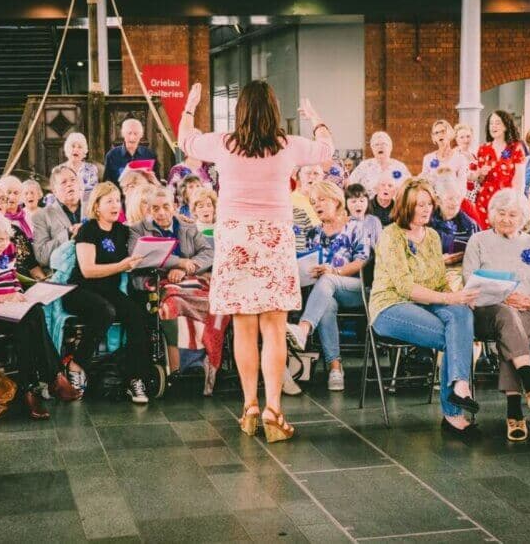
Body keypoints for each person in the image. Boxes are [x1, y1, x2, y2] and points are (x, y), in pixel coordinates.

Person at [178, 79, 333, 443]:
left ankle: (249, 406)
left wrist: (189, 106)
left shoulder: (224, 145)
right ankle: (273, 411)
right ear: (274, 111)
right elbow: (326, 151)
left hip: (234, 241)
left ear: (239, 112)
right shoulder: (287, 147)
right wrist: (316, 118)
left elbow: (185, 140)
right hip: (274, 240)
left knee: (244, 328)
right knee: (274, 329)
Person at [370, 179, 480, 434]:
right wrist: (449, 299)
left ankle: (460, 386)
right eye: (419, 204)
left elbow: (440, 282)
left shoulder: (431, 236)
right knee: (452, 337)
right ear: (405, 206)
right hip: (390, 306)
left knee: (462, 313)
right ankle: (453, 411)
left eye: (429, 203)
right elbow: (405, 288)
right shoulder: (391, 235)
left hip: (427, 303)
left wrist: (459, 298)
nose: (425, 209)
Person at [0, 212, 77, 419]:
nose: (4, 245)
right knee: (32, 318)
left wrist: (19, 294)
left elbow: (11, 279)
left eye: (6, 239)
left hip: (9, 310)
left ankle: (29, 390)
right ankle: (53, 377)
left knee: (30, 318)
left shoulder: (8, 248)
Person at [463, 189, 530, 442]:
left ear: (522, 217)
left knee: (512, 329)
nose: (506, 219)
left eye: (513, 214)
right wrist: (498, 295)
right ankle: (529, 380)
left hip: (525, 312)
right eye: (501, 213)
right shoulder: (478, 240)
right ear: (491, 215)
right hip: (486, 311)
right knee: (505, 313)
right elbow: (468, 280)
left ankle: (515, 409)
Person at [128, 187, 227, 395]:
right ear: (149, 209)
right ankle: (178, 366)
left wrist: (187, 267)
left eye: (166, 207)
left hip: (190, 281)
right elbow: (139, 258)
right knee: (173, 305)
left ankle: (206, 360)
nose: (162, 213)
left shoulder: (187, 227)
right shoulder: (138, 229)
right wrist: (179, 263)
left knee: (217, 303)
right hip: (157, 282)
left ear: (174, 206)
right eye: (156, 208)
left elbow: (208, 253)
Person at [63, 182, 151, 403]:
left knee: (137, 315)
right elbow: (88, 270)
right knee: (106, 311)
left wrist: (181, 219)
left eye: (118, 200)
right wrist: (122, 266)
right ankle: (76, 364)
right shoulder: (88, 230)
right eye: (109, 201)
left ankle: (135, 378)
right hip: (80, 289)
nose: (115, 205)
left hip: (108, 290)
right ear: (97, 206)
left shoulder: (122, 230)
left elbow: (147, 229)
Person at [286, 182, 370, 392]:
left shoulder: (356, 226)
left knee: (328, 280)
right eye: (313, 202)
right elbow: (307, 259)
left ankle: (303, 329)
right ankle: (335, 367)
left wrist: (335, 271)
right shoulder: (314, 232)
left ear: (336, 199)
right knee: (327, 305)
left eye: (321, 200)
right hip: (324, 291)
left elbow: (362, 260)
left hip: (355, 287)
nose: (317, 205)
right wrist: (311, 270)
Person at [472, 111, 526, 230]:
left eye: (497, 123)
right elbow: (479, 181)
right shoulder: (483, 149)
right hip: (484, 201)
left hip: (507, 200)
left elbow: (519, 179)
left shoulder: (516, 147)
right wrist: (481, 173)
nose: (493, 126)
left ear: (506, 126)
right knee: (485, 237)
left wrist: (515, 200)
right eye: (491, 123)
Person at [428, 177, 479, 290]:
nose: (455, 203)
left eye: (457, 197)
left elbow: (481, 253)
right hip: (434, 277)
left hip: (465, 274)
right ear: (438, 199)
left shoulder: (470, 224)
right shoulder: (426, 223)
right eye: (450, 198)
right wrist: (438, 260)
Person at [32, 165, 83, 269]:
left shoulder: (95, 208)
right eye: (64, 182)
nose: (69, 184)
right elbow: (42, 257)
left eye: (73, 180)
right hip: (63, 276)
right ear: (54, 191)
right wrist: (68, 233)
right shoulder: (41, 216)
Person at [347, 131, 409, 195]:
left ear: (391, 147)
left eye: (384, 144)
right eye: (376, 145)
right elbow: (350, 185)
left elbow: (408, 188)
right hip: (369, 204)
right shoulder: (364, 166)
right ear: (372, 148)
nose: (380, 147)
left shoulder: (400, 167)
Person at [54, 132, 103, 208]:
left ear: (84, 152)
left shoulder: (91, 169)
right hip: (65, 206)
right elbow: (57, 192)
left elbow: (91, 192)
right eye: (73, 146)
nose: (76, 150)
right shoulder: (58, 170)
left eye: (80, 147)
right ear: (67, 149)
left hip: (85, 206)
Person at [104, 119, 157, 187]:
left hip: (143, 196)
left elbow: (156, 182)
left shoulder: (149, 155)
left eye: (136, 133)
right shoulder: (112, 155)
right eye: (129, 133)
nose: (132, 137)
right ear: (123, 134)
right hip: (120, 196)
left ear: (141, 135)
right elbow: (107, 183)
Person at [420, 120, 469, 185]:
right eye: (436, 133)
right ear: (434, 138)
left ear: (450, 133)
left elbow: (462, 186)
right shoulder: (428, 158)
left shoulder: (460, 158)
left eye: (443, 131)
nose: (440, 135)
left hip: (454, 194)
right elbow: (423, 182)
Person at [345, 183, 383, 251]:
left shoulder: (374, 221)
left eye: (362, 201)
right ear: (346, 203)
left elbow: (380, 246)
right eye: (353, 201)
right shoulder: (342, 223)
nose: (358, 204)